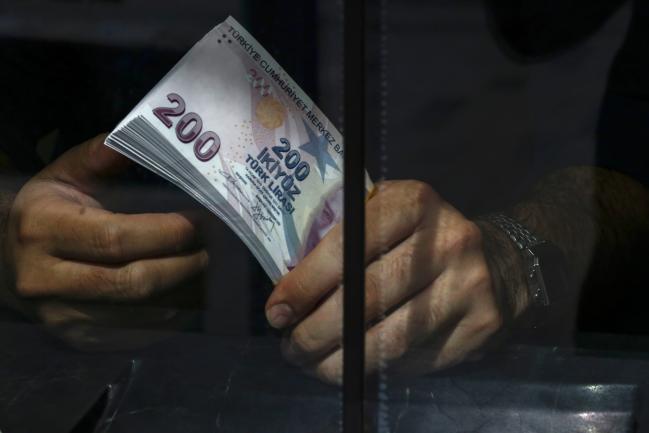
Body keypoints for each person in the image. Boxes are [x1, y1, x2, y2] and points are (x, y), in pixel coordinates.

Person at [1, 0, 648, 385]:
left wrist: (517, 256)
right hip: (144, 383)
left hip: (496, 385)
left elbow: (632, 151)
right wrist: (20, 247)